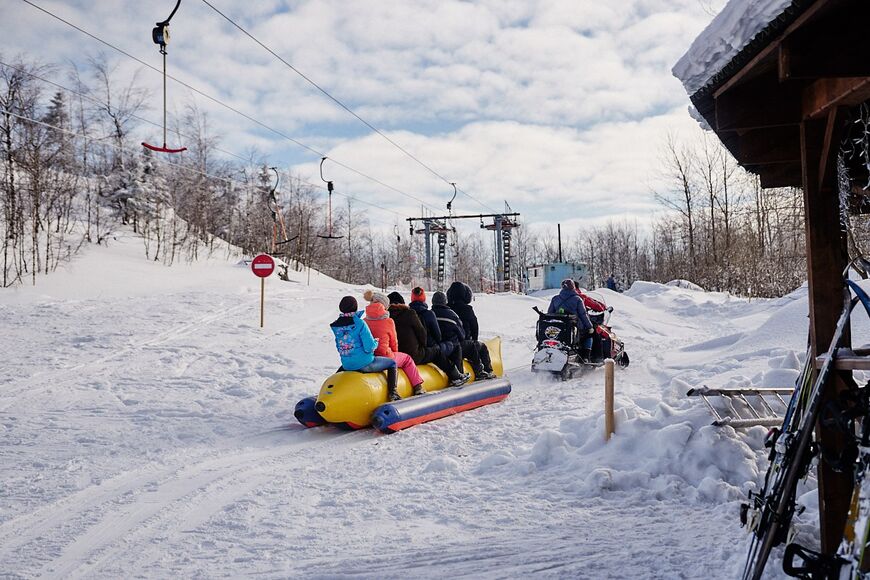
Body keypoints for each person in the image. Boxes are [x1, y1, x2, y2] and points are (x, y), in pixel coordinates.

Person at [387, 290, 468, 387]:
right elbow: (422, 333)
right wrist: (423, 345)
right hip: (413, 355)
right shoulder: (410, 314)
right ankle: (455, 375)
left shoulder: (386, 318)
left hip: (395, 356)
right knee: (436, 352)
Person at [329, 295, 398, 399]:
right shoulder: (360, 323)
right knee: (392, 364)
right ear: (355, 307)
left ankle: (331, 391)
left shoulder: (336, 326)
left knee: (337, 375)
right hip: (365, 364)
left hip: (347, 365)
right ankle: (393, 393)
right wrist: (375, 342)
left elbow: (339, 347)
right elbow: (369, 347)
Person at [363, 290, 425, 399]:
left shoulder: (364, 320)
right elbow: (394, 342)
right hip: (385, 356)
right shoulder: (388, 321)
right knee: (407, 359)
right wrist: (394, 352)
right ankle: (418, 386)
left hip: (370, 357)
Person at [445, 282, 496, 380]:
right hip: (463, 344)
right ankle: (488, 371)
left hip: (447, 345)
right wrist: (474, 340)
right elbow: (474, 328)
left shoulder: (447, 308)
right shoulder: (467, 309)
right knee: (482, 347)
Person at [548, 279, 595, 363]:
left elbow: (550, 314)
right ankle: (586, 357)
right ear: (573, 287)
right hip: (574, 327)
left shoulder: (555, 299)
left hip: (557, 327)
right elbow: (583, 315)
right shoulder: (577, 299)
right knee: (589, 336)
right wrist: (590, 327)